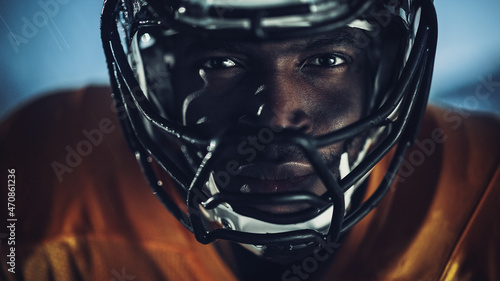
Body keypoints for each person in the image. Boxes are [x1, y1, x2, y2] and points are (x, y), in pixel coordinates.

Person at [1, 0, 499, 280]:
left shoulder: (486, 195)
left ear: (385, 72)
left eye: (326, 60)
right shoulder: (38, 179)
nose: (277, 116)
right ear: (158, 78)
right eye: (220, 63)